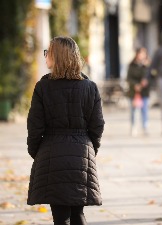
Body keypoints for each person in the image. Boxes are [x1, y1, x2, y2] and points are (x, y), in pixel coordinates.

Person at [27, 36, 105, 225]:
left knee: (60, 217)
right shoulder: (90, 87)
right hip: (81, 154)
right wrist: (90, 148)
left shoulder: (43, 87)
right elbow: (97, 125)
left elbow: (35, 126)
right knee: (78, 214)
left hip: (51, 154)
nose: (45, 56)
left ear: (56, 57)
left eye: (48, 53)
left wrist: (36, 151)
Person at [126, 47, 150, 136]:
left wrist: (146, 81)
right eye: (140, 53)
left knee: (145, 110)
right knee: (133, 111)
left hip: (144, 92)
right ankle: (133, 127)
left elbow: (151, 77)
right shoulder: (131, 65)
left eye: (143, 54)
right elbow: (128, 78)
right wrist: (135, 85)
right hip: (133, 92)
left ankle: (145, 127)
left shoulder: (147, 65)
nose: (141, 55)